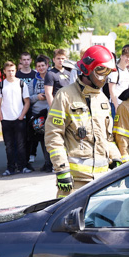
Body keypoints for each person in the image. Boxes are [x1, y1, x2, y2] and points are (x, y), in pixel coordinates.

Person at [46, 45, 119, 197]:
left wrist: (116, 157)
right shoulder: (64, 95)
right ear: (87, 69)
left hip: (102, 181)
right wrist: (61, 169)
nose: (104, 77)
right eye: (101, 71)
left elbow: (108, 137)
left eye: (107, 72)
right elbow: (54, 135)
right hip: (74, 182)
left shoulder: (103, 99)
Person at [0, 61, 31, 176]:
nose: (11, 73)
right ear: (4, 71)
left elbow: (27, 101)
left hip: (19, 119)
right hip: (6, 119)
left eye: (12, 70)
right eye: (8, 71)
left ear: (15, 71)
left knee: (21, 144)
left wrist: (22, 115)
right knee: (9, 145)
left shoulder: (21, 84)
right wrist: (1, 117)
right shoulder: (1, 85)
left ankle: (22, 166)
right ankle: (10, 168)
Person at [28, 54, 51, 172]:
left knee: (52, 139)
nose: (41, 68)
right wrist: (37, 97)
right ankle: (47, 163)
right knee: (42, 140)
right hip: (38, 115)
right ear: (36, 68)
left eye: (43, 65)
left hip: (50, 112)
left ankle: (53, 163)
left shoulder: (52, 77)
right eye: (39, 66)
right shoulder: (32, 82)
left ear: (47, 66)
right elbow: (28, 98)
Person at [109, 45, 129, 112]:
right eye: (127, 56)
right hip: (116, 105)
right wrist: (116, 106)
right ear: (121, 56)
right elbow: (112, 91)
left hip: (126, 105)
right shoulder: (114, 71)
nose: (128, 59)